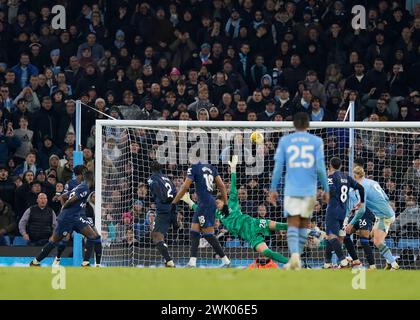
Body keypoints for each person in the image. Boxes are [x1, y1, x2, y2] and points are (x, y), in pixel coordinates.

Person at [181, 156, 288, 264]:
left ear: (223, 201)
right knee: (267, 253)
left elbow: (233, 186)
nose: (216, 205)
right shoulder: (216, 213)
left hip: (253, 223)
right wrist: (189, 201)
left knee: (280, 225)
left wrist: (233, 169)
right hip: (249, 236)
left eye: (217, 203)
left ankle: (304, 229)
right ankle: (290, 262)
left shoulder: (232, 201)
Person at [269, 112, 329, 270]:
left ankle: (295, 256)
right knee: (303, 224)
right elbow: (321, 170)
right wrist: (326, 189)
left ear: (294, 125)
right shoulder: (316, 141)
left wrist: (273, 188)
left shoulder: (285, 141)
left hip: (291, 190)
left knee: (292, 224)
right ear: (308, 125)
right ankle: (297, 258)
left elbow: (277, 169)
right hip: (309, 191)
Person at [29, 171, 100, 267]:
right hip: (67, 219)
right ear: (92, 179)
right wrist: (64, 208)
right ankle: (35, 262)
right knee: (54, 241)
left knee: (93, 236)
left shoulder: (79, 187)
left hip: (76, 217)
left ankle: (85, 263)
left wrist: (65, 206)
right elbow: (71, 200)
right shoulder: (85, 188)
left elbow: (63, 196)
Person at [172, 158, 231, 268]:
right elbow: (222, 185)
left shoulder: (193, 167)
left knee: (208, 234)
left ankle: (226, 260)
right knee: (194, 231)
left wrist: (174, 202)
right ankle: (192, 262)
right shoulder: (211, 167)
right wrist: (226, 204)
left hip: (205, 204)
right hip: (207, 202)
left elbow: (185, 186)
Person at [346, 166, 399, 270]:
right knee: (373, 235)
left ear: (355, 176)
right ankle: (388, 261)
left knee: (377, 241)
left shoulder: (360, 187)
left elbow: (362, 211)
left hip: (384, 216)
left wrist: (351, 223)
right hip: (385, 213)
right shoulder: (373, 182)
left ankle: (394, 264)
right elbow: (385, 197)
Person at [323, 157, 365, 269]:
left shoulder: (330, 177)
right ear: (340, 166)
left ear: (330, 166)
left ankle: (342, 260)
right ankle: (327, 263)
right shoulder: (347, 177)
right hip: (342, 212)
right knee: (333, 236)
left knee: (331, 235)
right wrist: (362, 202)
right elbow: (361, 188)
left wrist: (325, 196)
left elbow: (330, 191)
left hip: (332, 210)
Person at [148, 161, 177, 267]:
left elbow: (157, 189)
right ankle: (167, 261)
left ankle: (169, 261)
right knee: (159, 236)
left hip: (163, 210)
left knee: (156, 236)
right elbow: (175, 193)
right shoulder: (167, 178)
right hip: (171, 209)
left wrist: (164, 199)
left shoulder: (152, 178)